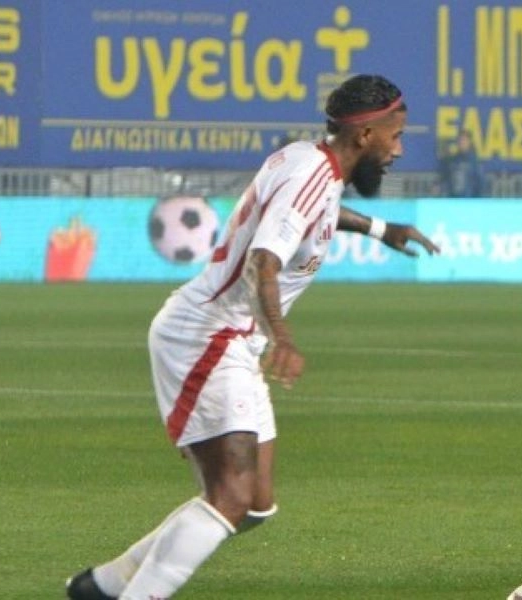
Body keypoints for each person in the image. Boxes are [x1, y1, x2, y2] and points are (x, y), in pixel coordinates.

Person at [65, 74, 440, 599]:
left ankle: (103, 586)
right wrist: (282, 335)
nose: (398, 149)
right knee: (231, 497)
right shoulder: (311, 174)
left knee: (254, 504)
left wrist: (380, 229)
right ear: (364, 135)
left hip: (232, 338)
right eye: (395, 136)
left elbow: (316, 212)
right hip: (209, 334)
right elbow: (264, 258)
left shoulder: (310, 161)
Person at [436, 130, 487, 197]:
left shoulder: (475, 162)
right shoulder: (452, 161)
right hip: (453, 199)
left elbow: (481, 184)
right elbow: (445, 178)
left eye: (464, 140)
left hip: (469, 200)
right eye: (460, 140)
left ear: (469, 142)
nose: (462, 142)